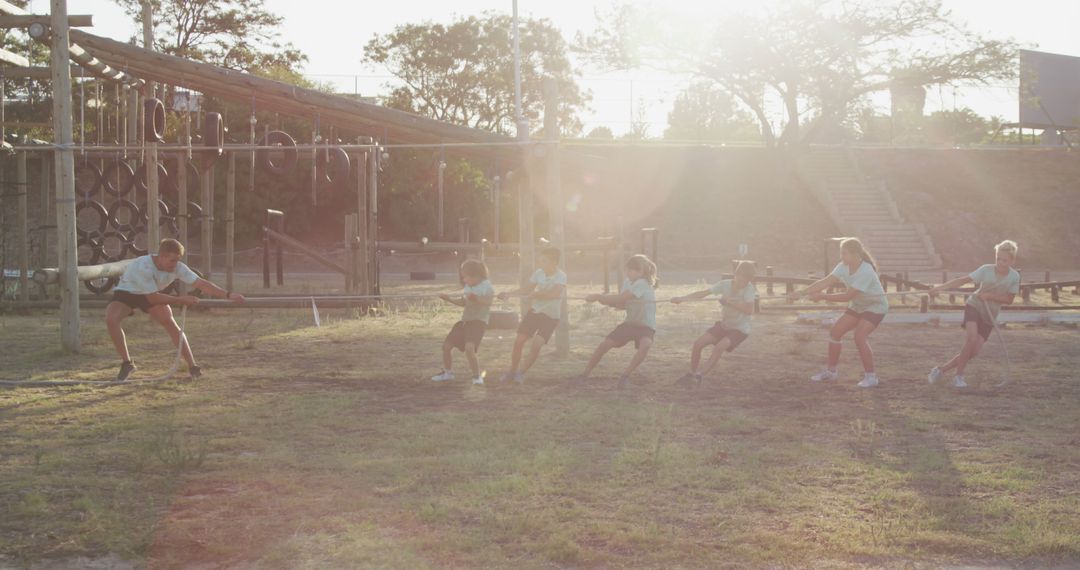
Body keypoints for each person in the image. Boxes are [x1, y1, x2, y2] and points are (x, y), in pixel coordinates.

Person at [105, 238, 245, 381]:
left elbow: (201, 283)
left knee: (169, 322)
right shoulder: (143, 266)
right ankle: (127, 363)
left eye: (177, 260)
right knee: (111, 318)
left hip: (151, 293)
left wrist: (228, 295)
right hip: (128, 292)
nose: (175, 264)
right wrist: (180, 300)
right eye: (172, 260)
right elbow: (153, 298)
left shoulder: (178, 267)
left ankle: (193, 366)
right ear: (162, 257)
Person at [790, 237, 887, 388]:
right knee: (835, 332)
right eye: (841, 253)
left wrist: (822, 296)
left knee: (859, 336)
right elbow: (825, 281)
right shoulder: (843, 266)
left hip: (875, 306)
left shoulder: (866, 270)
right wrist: (801, 293)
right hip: (858, 305)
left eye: (845, 253)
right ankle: (831, 372)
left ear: (856, 254)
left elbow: (848, 296)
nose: (842, 256)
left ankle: (871, 377)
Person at [927, 240, 1020, 388]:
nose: (1000, 263)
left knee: (974, 351)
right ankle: (959, 377)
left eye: (1004, 260)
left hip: (990, 315)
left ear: (1012, 260)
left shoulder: (1014, 277)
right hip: (974, 305)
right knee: (971, 339)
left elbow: (1009, 299)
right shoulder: (986, 269)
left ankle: (940, 370)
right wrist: (940, 288)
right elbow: (963, 280)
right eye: (998, 259)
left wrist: (990, 296)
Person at [576, 254, 658, 389]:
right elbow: (621, 304)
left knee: (646, 344)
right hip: (630, 323)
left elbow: (622, 297)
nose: (629, 272)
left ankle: (625, 376)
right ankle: (585, 374)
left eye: (633, 270)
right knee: (604, 344)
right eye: (628, 269)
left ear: (642, 272)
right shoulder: (627, 282)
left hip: (645, 325)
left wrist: (598, 296)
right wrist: (605, 302)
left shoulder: (643, 283)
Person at [671, 260, 758, 387]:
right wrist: (683, 299)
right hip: (725, 325)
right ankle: (692, 373)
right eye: (741, 278)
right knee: (698, 344)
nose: (743, 282)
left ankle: (700, 376)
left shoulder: (750, 289)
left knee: (719, 347)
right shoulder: (724, 284)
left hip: (740, 329)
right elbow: (703, 294)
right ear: (736, 273)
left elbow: (749, 310)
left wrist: (730, 303)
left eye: (746, 280)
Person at [496, 247, 566, 384]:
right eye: (541, 260)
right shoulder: (539, 273)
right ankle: (512, 371)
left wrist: (538, 294)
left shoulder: (561, 275)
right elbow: (526, 289)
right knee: (519, 342)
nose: (541, 263)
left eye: (544, 261)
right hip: (535, 312)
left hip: (551, 316)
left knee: (536, 345)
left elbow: (555, 294)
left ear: (554, 262)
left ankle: (520, 373)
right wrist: (509, 294)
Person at [431, 259, 495, 385]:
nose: (464, 280)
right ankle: (447, 373)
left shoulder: (487, 286)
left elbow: (488, 302)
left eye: (465, 277)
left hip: (478, 322)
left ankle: (477, 377)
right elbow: (463, 303)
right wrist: (448, 299)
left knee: (469, 348)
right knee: (446, 347)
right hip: (465, 321)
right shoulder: (468, 287)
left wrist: (476, 299)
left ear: (476, 276)